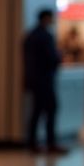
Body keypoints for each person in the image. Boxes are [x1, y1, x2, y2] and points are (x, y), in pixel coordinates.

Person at [23, 9, 68, 156]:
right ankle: (50, 143)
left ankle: (33, 143)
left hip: (34, 80)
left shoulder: (30, 36)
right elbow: (52, 58)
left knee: (36, 111)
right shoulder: (45, 36)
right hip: (44, 80)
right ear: (46, 19)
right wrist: (59, 57)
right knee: (51, 109)